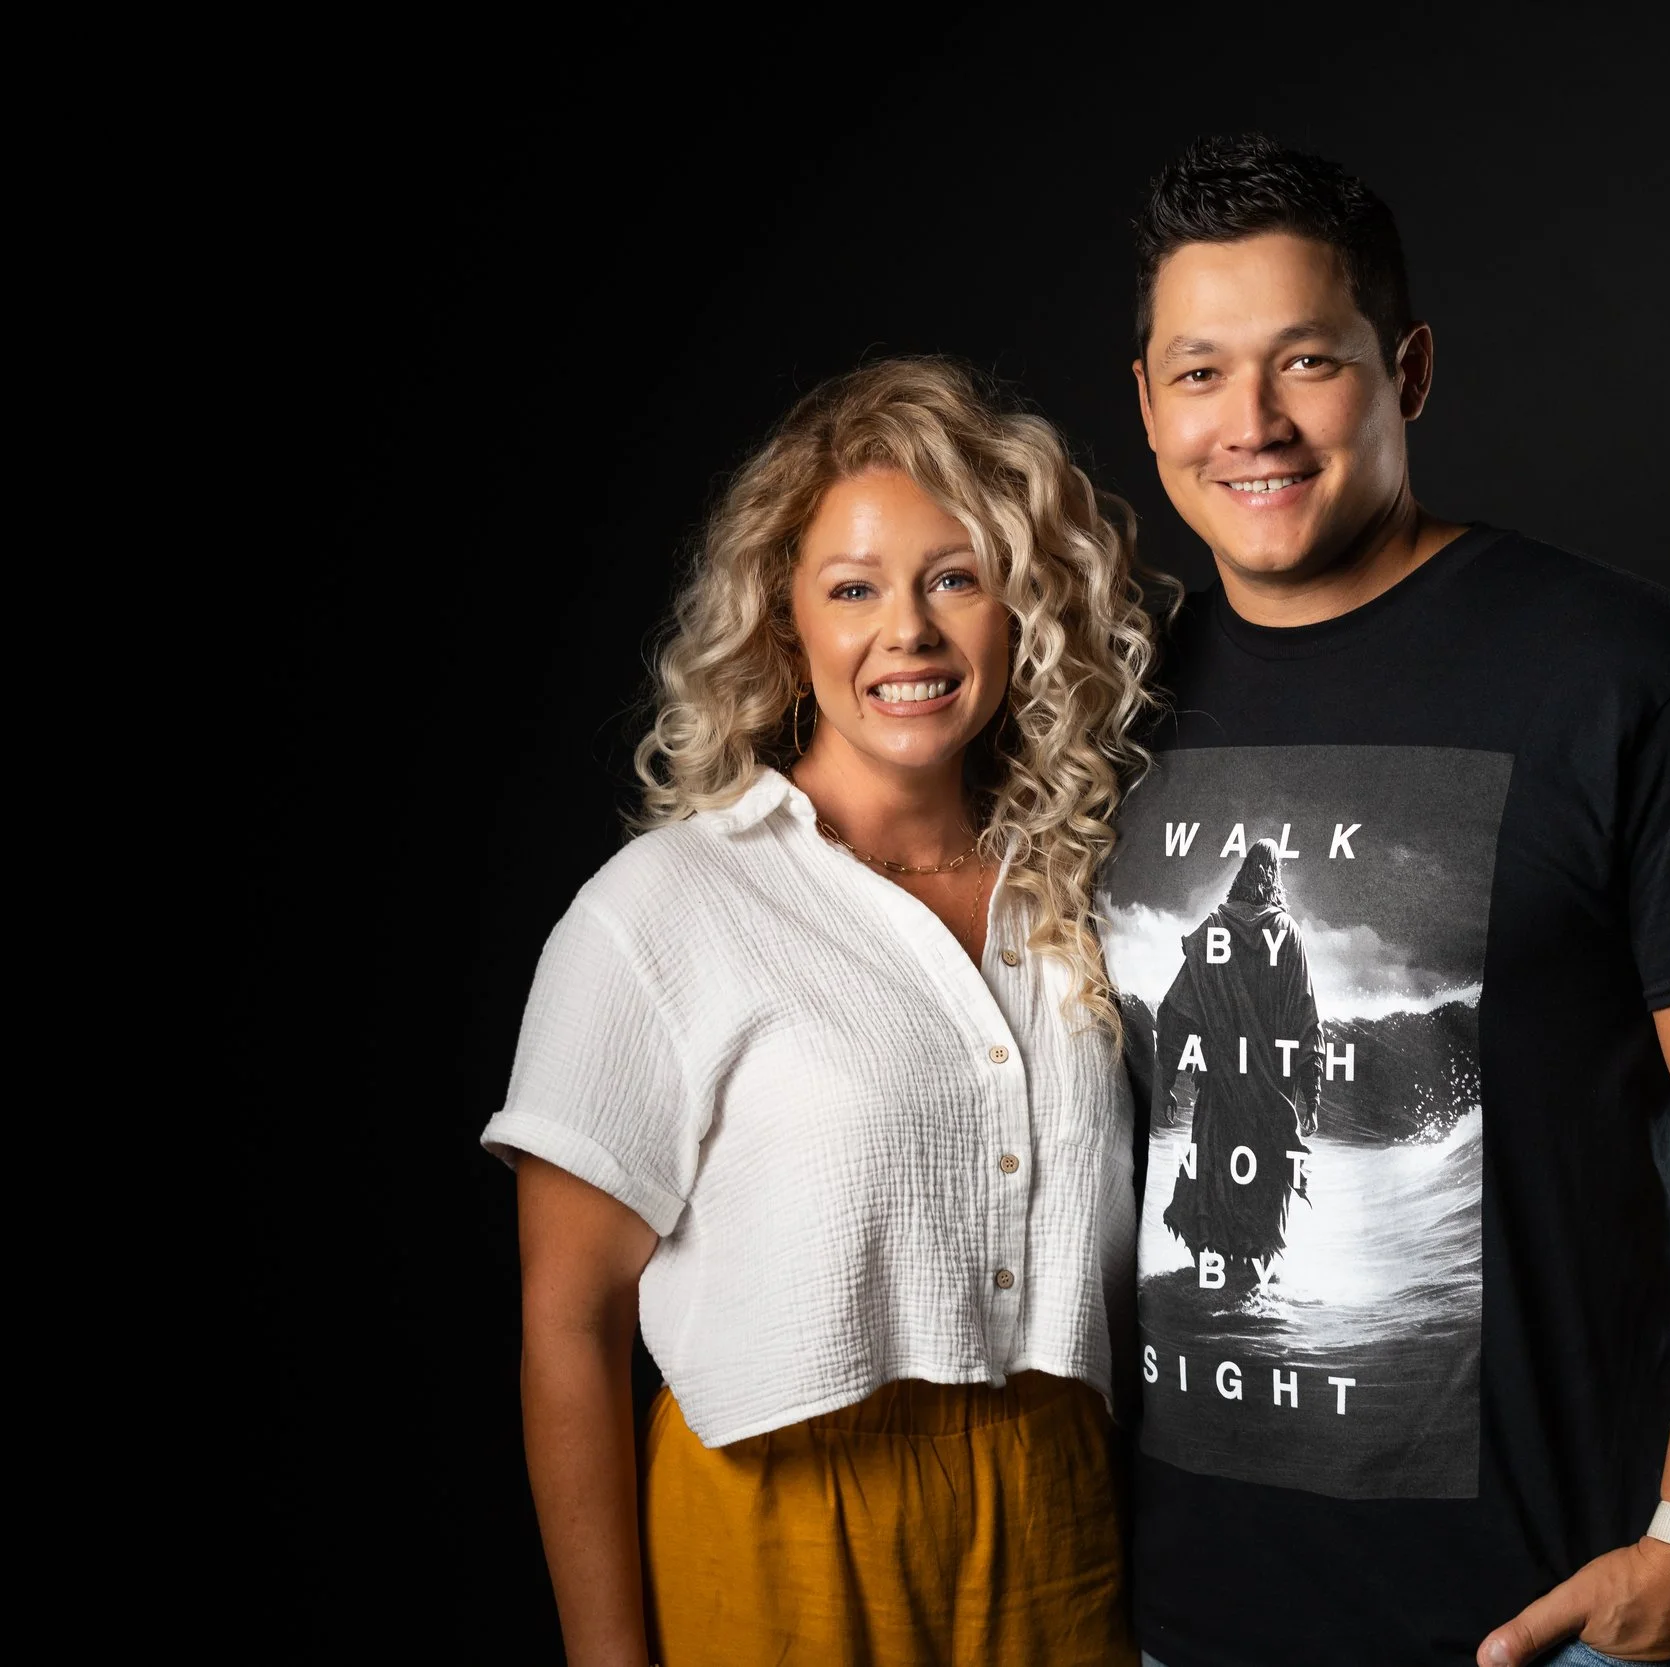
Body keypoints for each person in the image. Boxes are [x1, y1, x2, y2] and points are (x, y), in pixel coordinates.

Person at [1099, 135, 1670, 1667]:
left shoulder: (1629, 677)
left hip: (1557, 1631)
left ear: (1410, 370)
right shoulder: (1107, 703)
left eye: (1308, 360)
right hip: (1181, 1627)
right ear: (1147, 402)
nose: (1252, 424)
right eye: (1201, 374)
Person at [482, 356, 1163, 1666]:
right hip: (780, 1523)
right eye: (853, 588)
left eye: (953, 577)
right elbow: (567, 1325)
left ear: (1020, 609)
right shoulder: (665, 906)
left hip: (1060, 1519)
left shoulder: (1087, 892)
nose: (905, 631)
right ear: (788, 626)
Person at [1153, 838, 1321, 1298]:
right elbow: (1307, 1021)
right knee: (1263, 1186)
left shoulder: (1211, 931)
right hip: (1270, 1096)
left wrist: (1166, 1082)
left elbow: (1173, 1013)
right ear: (1275, 877)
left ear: (1243, 873)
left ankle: (1214, 1293)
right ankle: (1253, 1296)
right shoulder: (1288, 935)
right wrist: (1312, 1092)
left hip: (1220, 1095)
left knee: (1217, 1182)